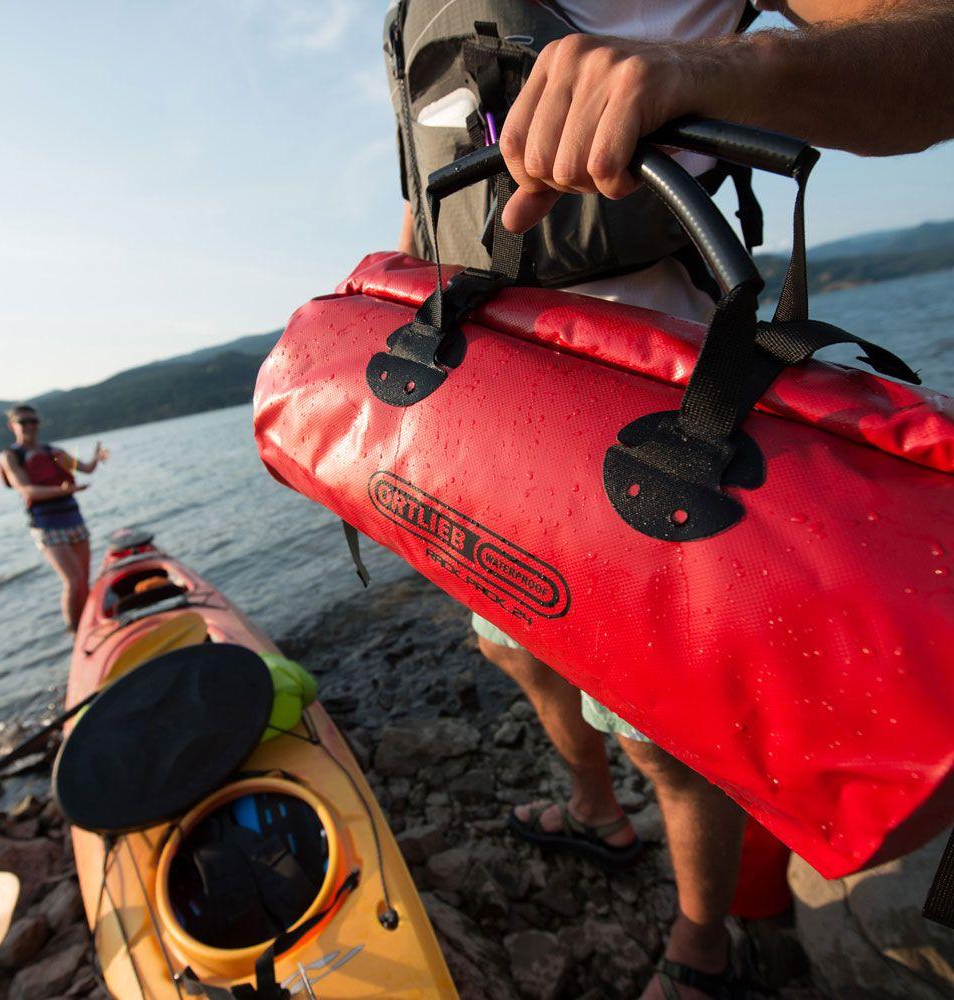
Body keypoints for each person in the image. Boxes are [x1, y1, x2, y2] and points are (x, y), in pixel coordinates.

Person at [392, 2, 954, 998]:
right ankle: (596, 809)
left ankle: (705, 946)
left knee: (668, 738)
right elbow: (433, 190)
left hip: (651, 420)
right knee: (510, 642)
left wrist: (713, 73)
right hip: (482, 410)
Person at [0, 405, 109, 632]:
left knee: (83, 579)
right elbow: (27, 490)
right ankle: (74, 631)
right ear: (12, 426)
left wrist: (96, 458)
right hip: (47, 524)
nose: (29, 426)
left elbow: (85, 468)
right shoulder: (11, 456)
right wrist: (64, 490)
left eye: (33, 421)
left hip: (73, 518)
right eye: (23, 422)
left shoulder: (53, 452)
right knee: (73, 580)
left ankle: (90, 626)